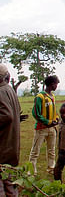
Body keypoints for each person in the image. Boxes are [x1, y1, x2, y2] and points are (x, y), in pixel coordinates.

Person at [29, 75, 60, 174]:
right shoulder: (40, 97)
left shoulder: (52, 96)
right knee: (35, 151)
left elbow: (54, 111)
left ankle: (51, 168)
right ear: (52, 84)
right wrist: (47, 122)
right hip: (41, 128)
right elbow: (36, 113)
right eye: (56, 84)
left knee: (52, 150)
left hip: (52, 128)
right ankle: (31, 171)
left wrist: (56, 119)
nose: (57, 86)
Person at [0, 64, 22, 196]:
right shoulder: (9, 90)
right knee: (10, 181)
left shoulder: (1, 91)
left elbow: (6, 116)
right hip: (12, 144)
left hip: (3, 145)